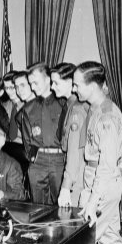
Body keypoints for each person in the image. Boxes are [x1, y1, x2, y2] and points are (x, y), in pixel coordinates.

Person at [73, 61, 122, 244]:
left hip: (102, 184)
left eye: (77, 84)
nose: (74, 88)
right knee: (109, 241)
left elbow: (106, 166)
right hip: (102, 181)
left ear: (92, 86)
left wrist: (92, 201)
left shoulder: (107, 117)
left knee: (81, 241)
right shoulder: (98, 108)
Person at [20, 62, 66, 205]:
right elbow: (27, 139)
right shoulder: (28, 108)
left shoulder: (64, 104)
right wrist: (33, 158)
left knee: (62, 207)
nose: (32, 88)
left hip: (59, 160)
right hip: (38, 162)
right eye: (30, 84)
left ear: (48, 80)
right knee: (38, 208)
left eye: (35, 83)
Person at [50, 63, 89, 207]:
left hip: (78, 175)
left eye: (56, 83)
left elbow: (74, 152)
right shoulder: (70, 105)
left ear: (69, 82)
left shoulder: (77, 110)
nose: (52, 87)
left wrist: (66, 187)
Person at [1, 70, 31, 200]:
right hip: (10, 154)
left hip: (25, 155)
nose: (10, 92)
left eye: (13, 87)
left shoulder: (29, 106)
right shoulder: (6, 106)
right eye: (7, 88)